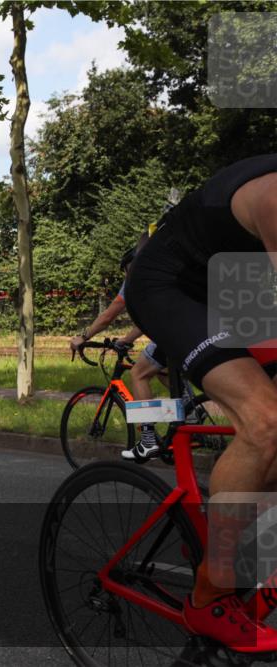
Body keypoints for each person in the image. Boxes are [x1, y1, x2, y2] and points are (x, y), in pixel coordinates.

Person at [125, 154, 277, 651]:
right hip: (170, 288)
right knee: (265, 421)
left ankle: (245, 520)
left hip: (235, 293)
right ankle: (210, 594)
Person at [69, 246, 168, 460]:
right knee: (161, 370)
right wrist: (127, 339)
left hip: (171, 332)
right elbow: (149, 318)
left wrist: (83, 336)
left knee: (138, 374)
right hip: (189, 329)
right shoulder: (162, 272)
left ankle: (148, 442)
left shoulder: (137, 277)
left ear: (128, 268)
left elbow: (108, 315)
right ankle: (190, 415)